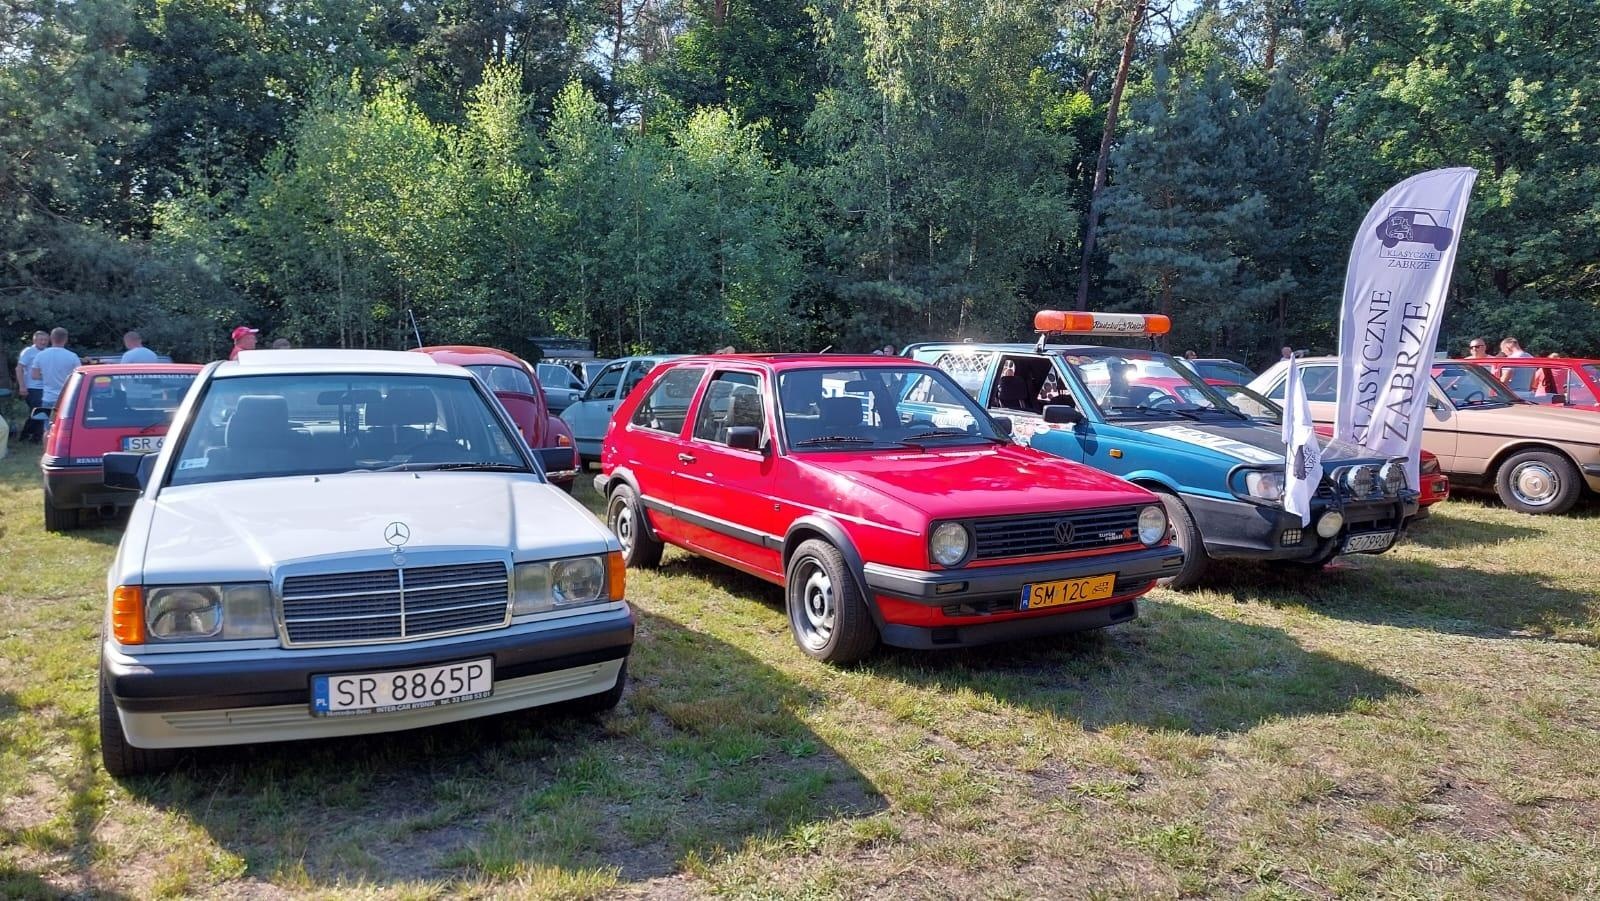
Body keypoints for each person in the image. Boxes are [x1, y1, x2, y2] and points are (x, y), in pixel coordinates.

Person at [31, 328, 81, 416]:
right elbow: (79, 378)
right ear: (66, 339)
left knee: (48, 423)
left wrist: (47, 376)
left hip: (48, 397)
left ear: (51, 338)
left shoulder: (40, 355)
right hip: (68, 397)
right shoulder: (73, 356)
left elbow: (35, 376)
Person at [17, 330, 48, 442]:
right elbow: (19, 369)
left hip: (45, 387)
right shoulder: (28, 352)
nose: (43, 342)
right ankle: (27, 436)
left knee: (41, 412)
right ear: (34, 340)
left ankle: (34, 437)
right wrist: (22, 386)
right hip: (32, 387)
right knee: (38, 411)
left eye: (45, 340)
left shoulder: (48, 352)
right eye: (41, 340)